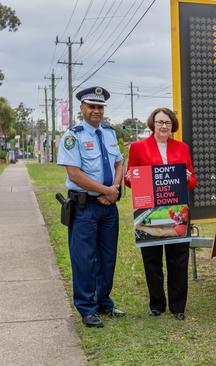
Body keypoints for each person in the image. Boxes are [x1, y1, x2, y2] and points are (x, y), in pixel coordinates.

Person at [57, 86, 125, 328]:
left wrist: (113, 190)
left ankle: (103, 301)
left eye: (100, 107)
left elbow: (119, 164)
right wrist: (106, 191)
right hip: (84, 207)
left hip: (109, 206)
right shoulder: (73, 136)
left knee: (107, 257)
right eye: (92, 106)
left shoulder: (109, 133)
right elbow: (74, 174)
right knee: (84, 259)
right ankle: (87, 308)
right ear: (82, 109)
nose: (96, 111)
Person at [124, 107, 197, 320]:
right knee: (152, 260)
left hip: (176, 211)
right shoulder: (138, 148)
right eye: (159, 122)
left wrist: (186, 177)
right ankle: (156, 304)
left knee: (178, 260)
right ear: (152, 124)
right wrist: (129, 178)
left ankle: (178, 306)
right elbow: (131, 179)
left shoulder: (182, 148)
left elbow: (192, 181)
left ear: (172, 125)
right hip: (149, 210)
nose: (163, 126)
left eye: (167, 123)